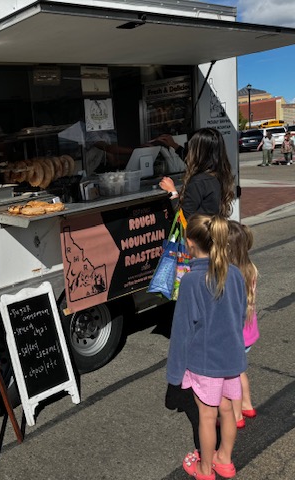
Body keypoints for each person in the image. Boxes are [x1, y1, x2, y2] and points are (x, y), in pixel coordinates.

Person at [167, 214, 247, 480]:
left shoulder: (191, 281)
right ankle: (224, 460)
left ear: (190, 243)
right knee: (227, 410)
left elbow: (181, 332)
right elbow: (240, 312)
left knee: (206, 415)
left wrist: (175, 375)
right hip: (231, 358)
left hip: (205, 362)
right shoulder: (234, 273)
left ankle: (204, 468)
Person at [158, 128, 235, 218]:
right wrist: (175, 146)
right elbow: (195, 161)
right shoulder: (218, 174)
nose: (189, 152)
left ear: (197, 153)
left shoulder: (198, 182)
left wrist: (172, 192)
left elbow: (185, 218)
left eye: (190, 147)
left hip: (199, 231)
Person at [228, 220, 259, 429]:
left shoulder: (231, 275)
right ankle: (247, 404)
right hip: (248, 332)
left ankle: (237, 415)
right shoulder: (250, 269)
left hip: (235, 335)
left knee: (231, 377)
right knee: (240, 372)